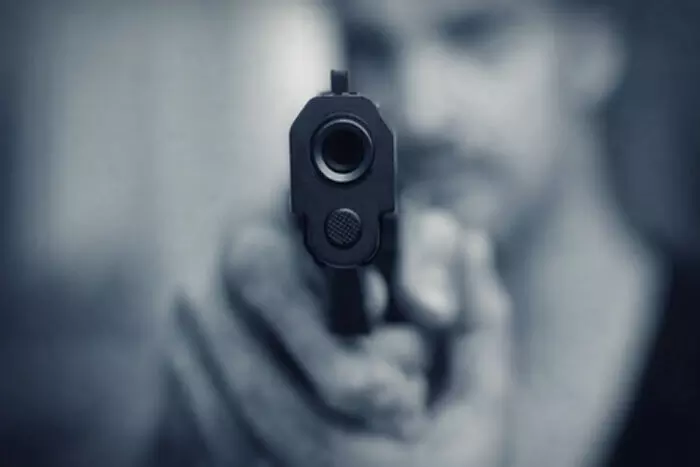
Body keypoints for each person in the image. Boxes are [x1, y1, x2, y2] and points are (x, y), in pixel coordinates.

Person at [152, 0, 700, 466]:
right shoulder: (304, 379)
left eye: (475, 35)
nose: (420, 114)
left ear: (594, 42)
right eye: (370, 49)